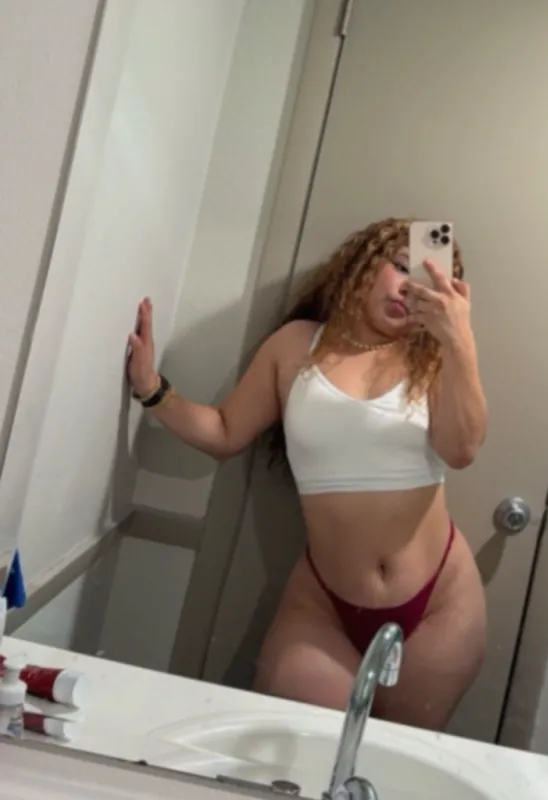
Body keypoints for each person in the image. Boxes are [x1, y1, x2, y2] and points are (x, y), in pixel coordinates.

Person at [127, 217, 487, 731]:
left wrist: (459, 339)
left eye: (426, 281)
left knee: (398, 759)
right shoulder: (297, 345)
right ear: (364, 264)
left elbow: (462, 449)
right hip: (324, 608)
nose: (408, 288)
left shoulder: (433, 359)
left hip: (440, 605)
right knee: (297, 748)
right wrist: (151, 389)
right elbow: (225, 431)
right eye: (400, 266)